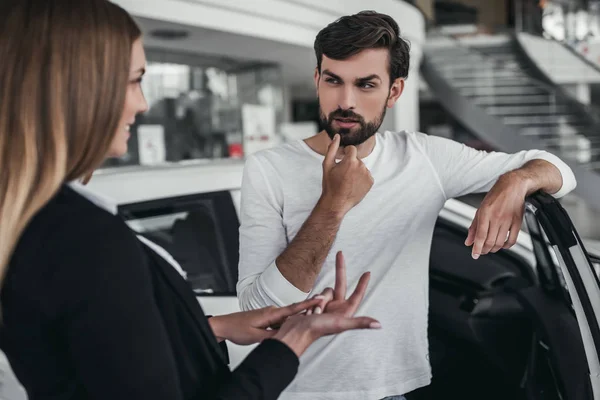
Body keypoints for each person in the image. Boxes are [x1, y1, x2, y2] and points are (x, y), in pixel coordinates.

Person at [0, 1, 382, 399]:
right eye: (134, 81)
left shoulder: (35, 225)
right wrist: (292, 344)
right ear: (80, 90)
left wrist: (214, 327)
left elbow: (98, 358)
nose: (143, 104)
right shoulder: (87, 241)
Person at [236, 10, 577, 400]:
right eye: (333, 81)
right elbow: (255, 308)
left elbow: (561, 172)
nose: (345, 101)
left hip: (394, 390)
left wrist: (516, 180)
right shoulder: (268, 169)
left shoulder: (423, 158)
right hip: (293, 390)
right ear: (317, 80)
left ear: (394, 91)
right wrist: (332, 205)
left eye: (366, 84)